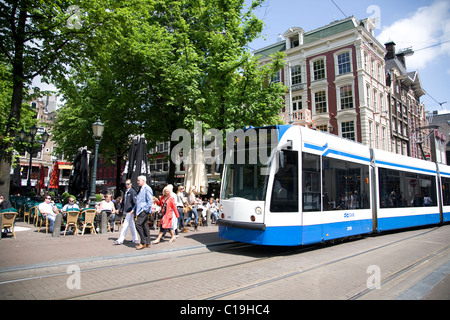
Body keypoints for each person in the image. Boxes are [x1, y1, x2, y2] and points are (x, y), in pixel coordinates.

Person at [131, 175, 153, 250]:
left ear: (143, 180)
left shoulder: (147, 188)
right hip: (139, 210)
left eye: (138, 180)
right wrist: (134, 209)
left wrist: (145, 209)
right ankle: (148, 242)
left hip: (143, 210)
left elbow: (150, 201)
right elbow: (138, 201)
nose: (137, 182)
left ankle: (143, 242)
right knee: (144, 225)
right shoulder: (141, 188)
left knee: (138, 224)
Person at [114, 179, 138, 245]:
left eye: (128, 184)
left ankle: (121, 239)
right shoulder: (126, 192)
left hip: (130, 210)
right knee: (131, 224)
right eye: (126, 184)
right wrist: (119, 208)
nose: (126, 185)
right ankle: (135, 237)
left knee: (125, 224)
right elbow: (123, 202)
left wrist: (133, 210)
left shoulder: (133, 192)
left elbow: (135, 202)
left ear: (131, 184)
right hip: (127, 209)